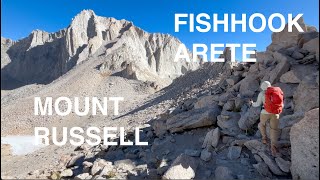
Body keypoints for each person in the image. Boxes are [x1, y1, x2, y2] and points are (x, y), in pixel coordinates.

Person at [250, 81, 283, 156]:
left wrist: (252, 103)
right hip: (275, 113)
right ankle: (273, 146)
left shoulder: (262, 94)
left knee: (262, 124)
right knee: (274, 129)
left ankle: (264, 138)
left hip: (265, 113)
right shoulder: (277, 92)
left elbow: (257, 104)